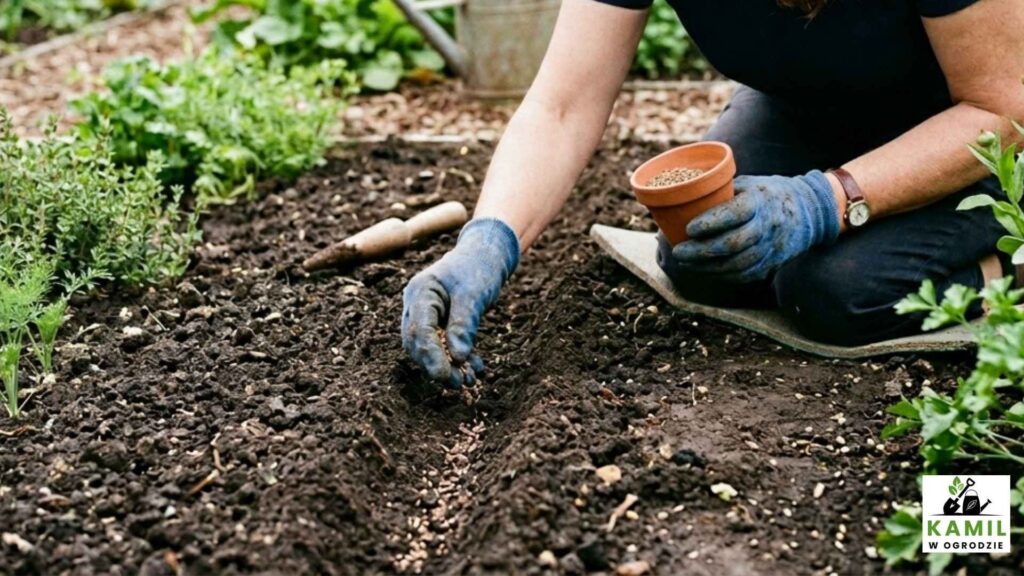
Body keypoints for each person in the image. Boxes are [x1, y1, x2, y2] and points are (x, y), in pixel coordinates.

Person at [401, 0, 1024, 388]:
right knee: (703, 252)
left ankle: (1011, 264)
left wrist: (824, 200)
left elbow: (1003, 106)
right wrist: (488, 240)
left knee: (838, 290)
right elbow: (562, 105)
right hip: (813, 105)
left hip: (982, 132)